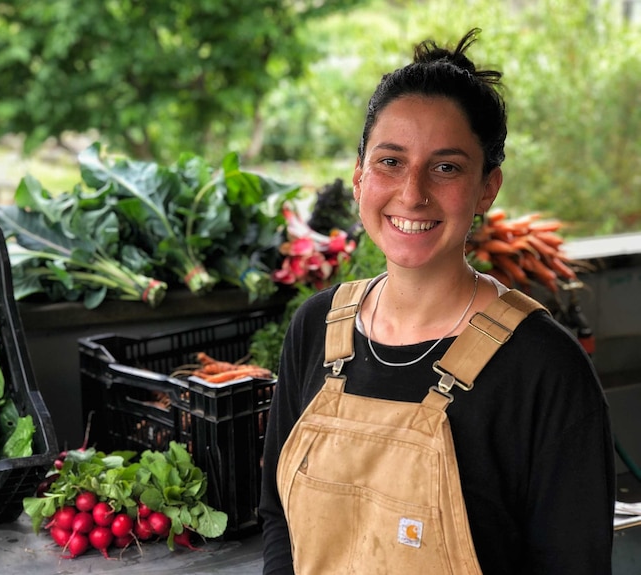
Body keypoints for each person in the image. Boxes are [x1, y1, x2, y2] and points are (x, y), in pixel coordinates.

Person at [259, 28, 615, 575]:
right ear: (358, 177)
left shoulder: (543, 366)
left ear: (487, 188)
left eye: (446, 167)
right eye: (390, 162)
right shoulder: (317, 328)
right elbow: (278, 518)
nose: (412, 193)